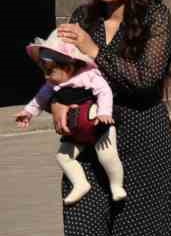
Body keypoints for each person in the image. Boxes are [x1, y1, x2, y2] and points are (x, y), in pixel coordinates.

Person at [53, 0, 171, 236]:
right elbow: (60, 73)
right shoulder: (84, 18)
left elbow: (145, 78)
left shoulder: (156, 17)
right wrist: (57, 103)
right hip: (88, 142)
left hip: (143, 143)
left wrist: (95, 52)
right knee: (83, 232)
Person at [15, 29, 125, 206]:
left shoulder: (88, 76)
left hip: (97, 125)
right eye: (44, 70)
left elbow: (104, 91)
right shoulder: (52, 83)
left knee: (107, 155)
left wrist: (104, 112)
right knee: (63, 156)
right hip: (75, 130)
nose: (46, 76)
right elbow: (40, 99)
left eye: (50, 70)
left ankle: (116, 185)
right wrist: (28, 112)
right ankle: (80, 183)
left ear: (68, 67)